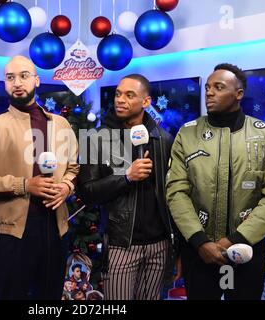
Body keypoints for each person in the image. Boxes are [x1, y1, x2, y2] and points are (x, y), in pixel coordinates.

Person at [166, 63, 265, 300]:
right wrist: (199, 241)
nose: (209, 93)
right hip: (199, 252)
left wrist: (236, 240)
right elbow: (176, 191)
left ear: (239, 93)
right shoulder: (187, 133)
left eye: (219, 87)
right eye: (208, 88)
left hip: (247, 251)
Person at [0, 55, 79, 300]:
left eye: (24, 76)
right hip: (11, 233)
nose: (17, 82)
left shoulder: (61, 124)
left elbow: (73, 167)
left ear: (37, 81)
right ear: (5, 84)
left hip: (55, 228)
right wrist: (26, 185)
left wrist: (67, 187)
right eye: (10, 77)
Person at [77, 74, 180, 300]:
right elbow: (86, 192)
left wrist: (177, 244)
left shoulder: (163, 139)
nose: (120, 100)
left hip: (159, 246)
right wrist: (126, 177)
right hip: (120, 245)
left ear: (146, 102)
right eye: (117, 94)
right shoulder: (94, 139)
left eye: (129, 95)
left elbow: (173, 194)